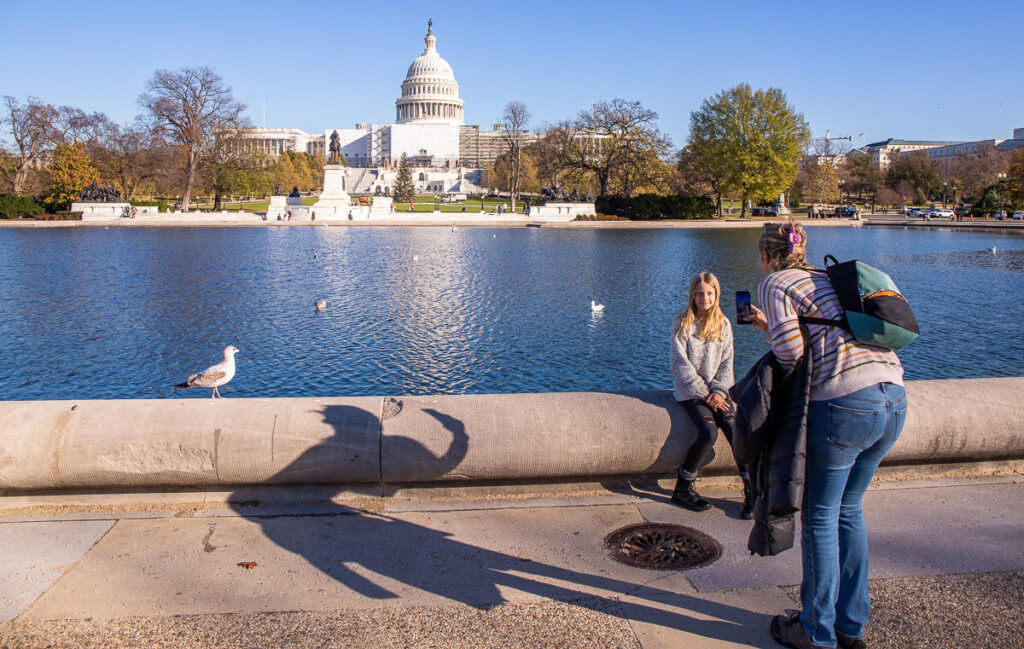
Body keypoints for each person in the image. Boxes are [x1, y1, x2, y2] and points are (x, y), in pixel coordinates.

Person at [747, 220, 906, 649]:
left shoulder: (775, 282)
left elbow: (791, 353)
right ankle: (850, 625)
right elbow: (829, 332)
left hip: (844, 405)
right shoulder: (827, 277)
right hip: (893, 397)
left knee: (819, 516)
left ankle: (815, 632)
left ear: (765, 255)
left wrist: (769, 335)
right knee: (849, 511)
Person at [670, 271, 752, 516]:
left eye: (709, 293)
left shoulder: (724, 324)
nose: (705, 298)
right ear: (693, 296)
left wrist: (719, 391)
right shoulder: (682, 322)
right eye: (700, 294)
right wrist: (706, 394)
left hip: (718, 390)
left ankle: (752, 491)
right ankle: (683, 487)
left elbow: (728, 363)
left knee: (736, 430)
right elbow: (679, 365)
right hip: (691, 391)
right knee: (708, 432)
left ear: (716, 295)